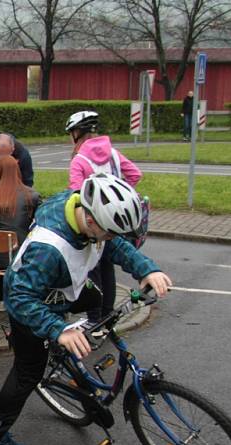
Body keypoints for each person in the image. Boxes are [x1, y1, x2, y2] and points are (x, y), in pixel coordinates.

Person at [0, 174, 172, 445]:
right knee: (27, 373)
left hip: (63, 286)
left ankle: (69, 348)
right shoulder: (48, 248)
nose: (111, 239)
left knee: (95, 300)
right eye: (108, 232)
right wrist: (58, 330)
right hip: (31, 300)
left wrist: (146, 269)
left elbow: (114, 245)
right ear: (91, 221)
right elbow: (19, 299)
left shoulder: (83, 207)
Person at [66, 110, 141, 322]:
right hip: (114, 223)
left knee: (92, 270)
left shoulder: (79, 160)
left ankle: (94, 319)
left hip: (93, 225)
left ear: (77, 133)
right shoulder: (114, 154)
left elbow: (76, 195)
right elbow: (135, 174)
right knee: (108, 268)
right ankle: (109, 315)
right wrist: (119, 200)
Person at [0, 155, 41, 310]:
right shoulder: (32, 195)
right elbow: (39, 227)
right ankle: (23, 297)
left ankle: (2, 299)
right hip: (24, 258)